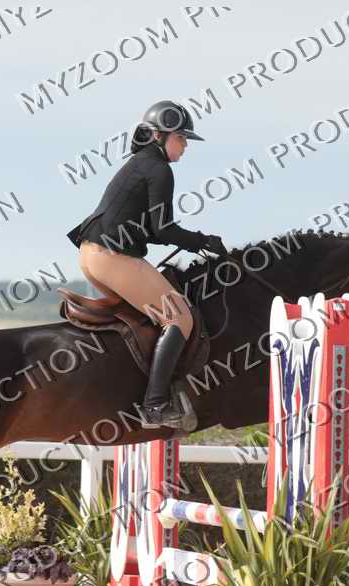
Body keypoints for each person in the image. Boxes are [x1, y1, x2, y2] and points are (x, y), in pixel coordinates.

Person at [67, 100, 227, 429]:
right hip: (111, 256)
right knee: (180, 317)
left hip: (92, 254)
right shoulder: (159, 169)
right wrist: (203, 241)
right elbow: (163, 229)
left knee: (148, 319)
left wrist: (195, 241)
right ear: (159, 136)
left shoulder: (141, 164)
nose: (185, 145)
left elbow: (152, 230)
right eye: (181, 138)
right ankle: (155, 405)